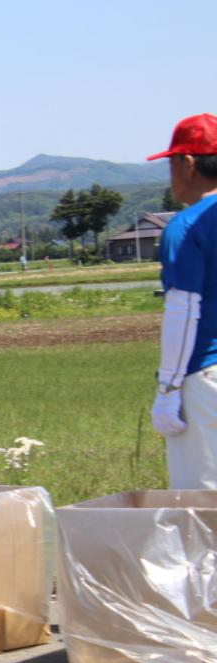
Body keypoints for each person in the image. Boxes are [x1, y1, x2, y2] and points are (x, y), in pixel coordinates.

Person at [147, 113, 217, 487]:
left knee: (201, 511)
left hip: (206, 377)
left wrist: (168, 390)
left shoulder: (186, 226)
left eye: (171, 164)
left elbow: (183, 311)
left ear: (187, 163)